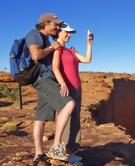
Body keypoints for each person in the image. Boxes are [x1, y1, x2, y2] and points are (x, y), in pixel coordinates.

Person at [25, 13, 75, 164]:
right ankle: (55, 147)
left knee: (41, 118)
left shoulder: (46, 38)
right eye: (56, 24)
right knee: (69, 103)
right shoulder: (34, 34)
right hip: (43, 79)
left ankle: (39, 154)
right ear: (46, 23)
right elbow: (35, 55)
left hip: (46, 79)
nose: (58, 27)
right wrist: (51, 47)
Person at [52, 22, 93, 164]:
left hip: (77, 89)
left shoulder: (71, 51)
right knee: (66, 120)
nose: (69, 35)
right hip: (66, 89)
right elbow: (55, 68)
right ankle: (61, 150)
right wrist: (62, 83)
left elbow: (87, 60)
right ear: (58, 32)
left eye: (70, 33)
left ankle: (71, 152)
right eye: (66, 32)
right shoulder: (57, 49)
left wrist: (89, 43)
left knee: (75, 120)